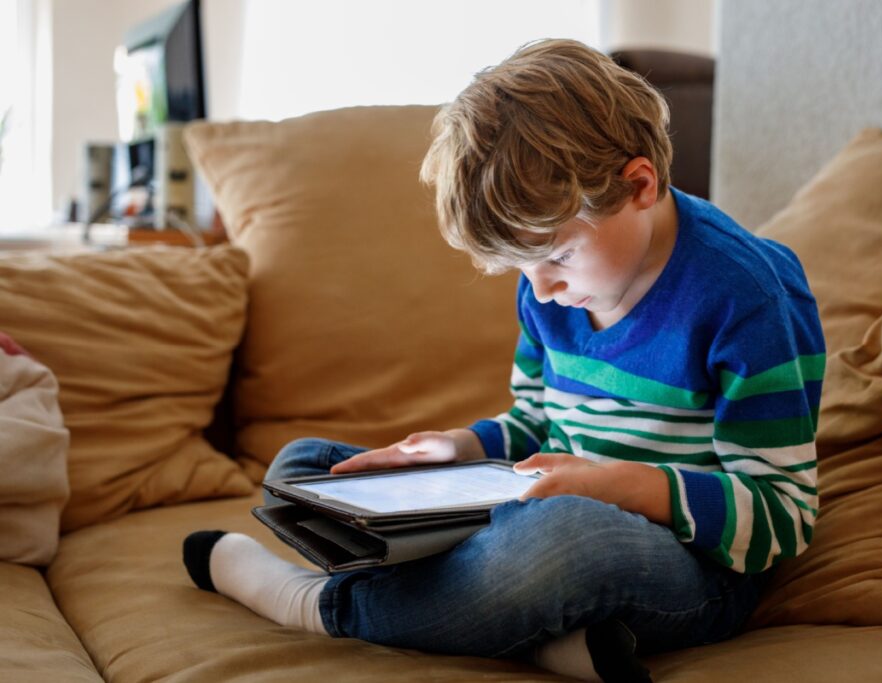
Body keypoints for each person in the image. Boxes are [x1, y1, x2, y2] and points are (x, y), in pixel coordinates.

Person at [182, 38, 826, 683]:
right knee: (307, 470)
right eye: (521, 267)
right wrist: (457, 450)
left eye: (556, 258)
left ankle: (313, 603)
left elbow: (781, 515)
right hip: (541, 514)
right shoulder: (550, 287)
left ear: (638, 185)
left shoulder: (750, 297)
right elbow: (537, 424)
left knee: (569, 540)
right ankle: (539, 635)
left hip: (685, 568)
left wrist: (612, 485)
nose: (540, 290)